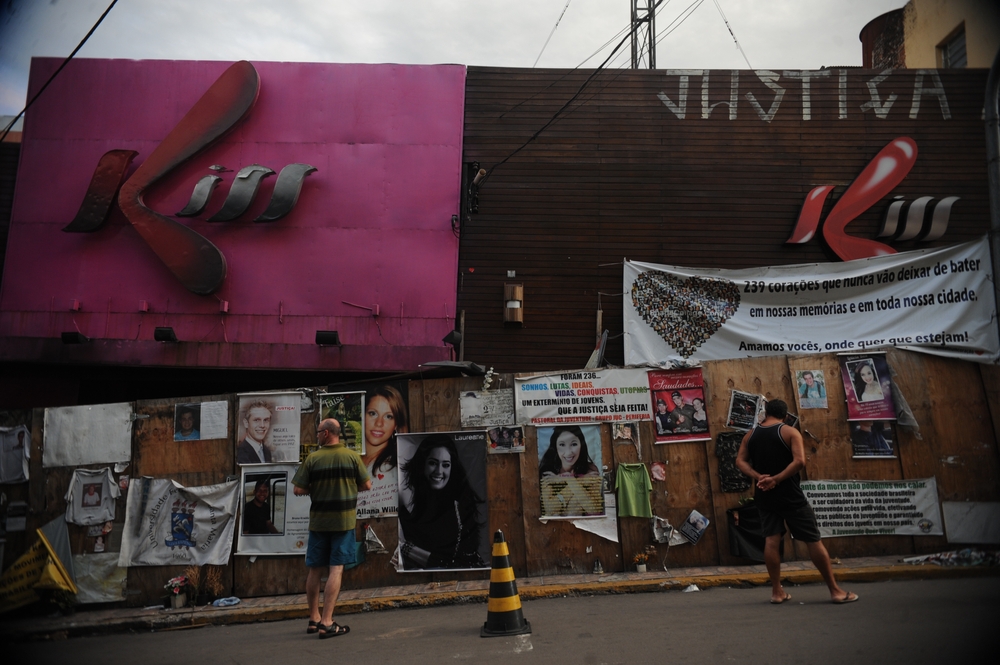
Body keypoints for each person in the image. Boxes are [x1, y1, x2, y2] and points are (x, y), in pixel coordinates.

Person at [736, 399, 858, 605]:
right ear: (785, 416)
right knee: (812, 540)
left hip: (764, 495)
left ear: (767, 413)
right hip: (791, 495)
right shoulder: (790, 432)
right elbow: (800, 461)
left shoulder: (750, 435)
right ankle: (835, 591)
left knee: (771, 541)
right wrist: (776, 479)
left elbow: (740, 461)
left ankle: (777, 592)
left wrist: (759, 477)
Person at [292, 419, 371, 639]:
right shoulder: (352, 457)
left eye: (318, 432)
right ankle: (327, 622)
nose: (317, 435)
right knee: (336, 569)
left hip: (319, 522)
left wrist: (318, 488)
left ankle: (314, 618)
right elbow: (366, 485)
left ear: (326, 433)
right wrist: (346, 486)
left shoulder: (313, 459)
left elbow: (298, 490)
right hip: (343, 522)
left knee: (315, 570)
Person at [398, 433, 485, 570]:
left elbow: (448, 563)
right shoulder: (415, 499)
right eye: (433, 463)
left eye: (446, 465)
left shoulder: (458, 506)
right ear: (422, 464)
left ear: (452, 468)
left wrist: (404, 548)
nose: (439, 471)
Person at [357, 386, 408, 516]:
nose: (379, 423)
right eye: (373, 413)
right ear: (362, 416)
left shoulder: (395, 471)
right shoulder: (349, 459)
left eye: (388, 416)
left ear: (396, 424)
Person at [237, 400, 273, 464]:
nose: (262, 425)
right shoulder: (240, 453)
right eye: (256, 420)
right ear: (246, 423)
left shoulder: (267, 451)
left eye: (266, 420)